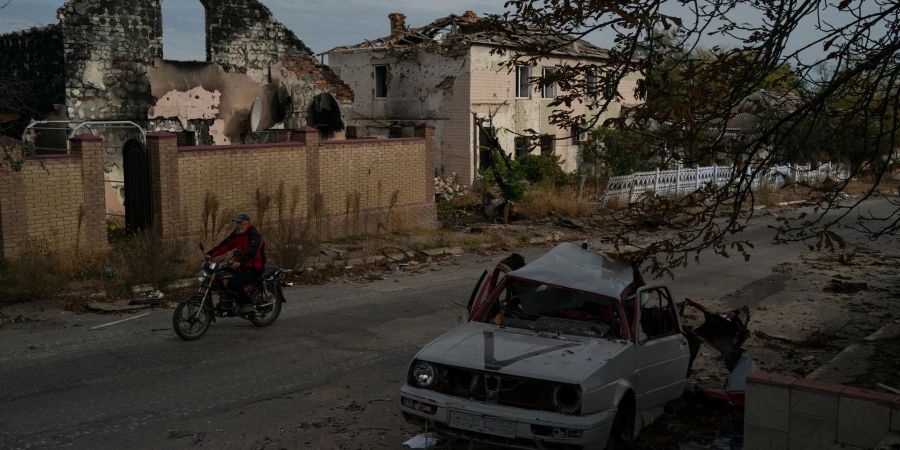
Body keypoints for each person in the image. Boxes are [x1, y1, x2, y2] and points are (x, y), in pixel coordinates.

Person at [206, 213, 266, 314]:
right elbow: (225, 245)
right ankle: (228, 302)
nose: (237, 225)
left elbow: (253, 251)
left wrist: (241, 261)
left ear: (246, 223)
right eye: (236, 223)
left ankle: (247, 304)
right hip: (241, 266)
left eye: (239, 223)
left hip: (254, 267)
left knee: (234, 282)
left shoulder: (254, 234)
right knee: (219, 275)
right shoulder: (237, 234)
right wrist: (210, 254)